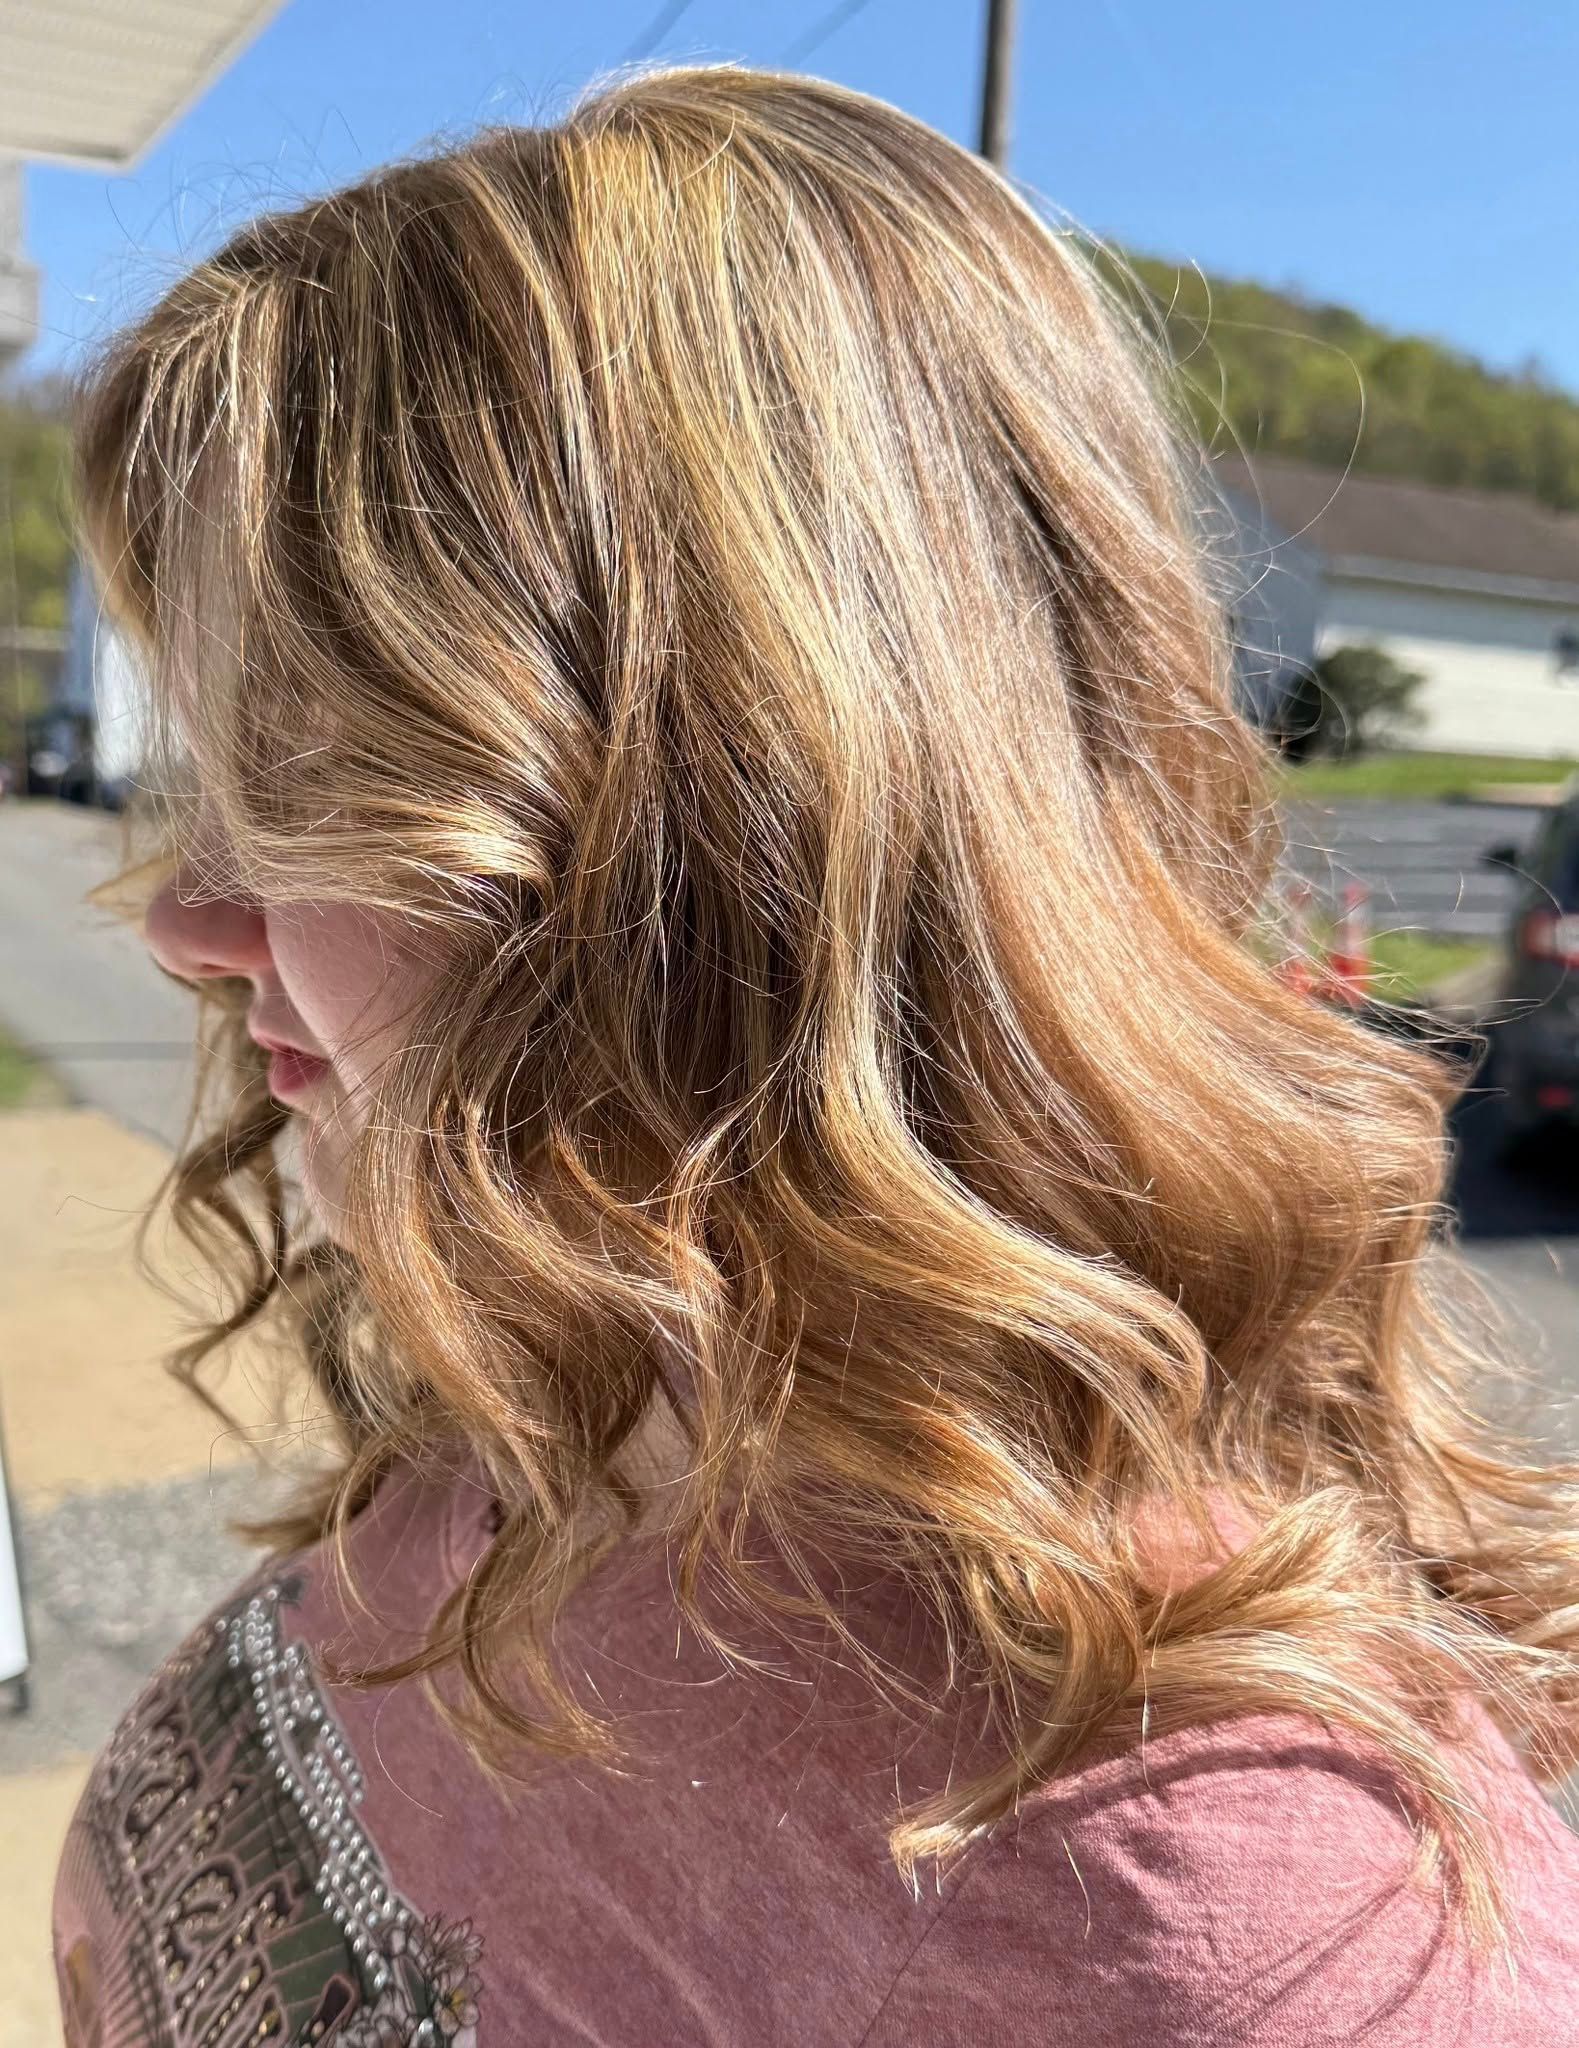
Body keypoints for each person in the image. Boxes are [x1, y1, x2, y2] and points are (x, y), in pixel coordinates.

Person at [53, 63, 1579, 2048]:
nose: (184, 920)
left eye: (312, 779)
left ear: (720, 814)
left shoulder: (1237, 1919)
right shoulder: (565, 1381)